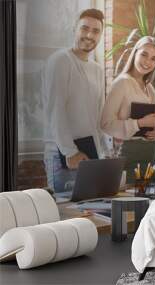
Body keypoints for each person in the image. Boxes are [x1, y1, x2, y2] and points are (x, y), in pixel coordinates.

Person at [42, 9, 108, 192]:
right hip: (63, 152)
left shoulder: (97, 69)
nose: (89, 35)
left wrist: (104, 149)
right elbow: (56, 110)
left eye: (96, 31)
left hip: (90, 152)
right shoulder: (60, 61)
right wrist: (69, 151)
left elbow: (97, 115)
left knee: (92, 213)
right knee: (68, 213)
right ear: (74, 29)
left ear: (101, 35)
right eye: (84, 28)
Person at [101, 36, 155, 183]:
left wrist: (154, 132)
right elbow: (105, 124)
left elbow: (151, 122)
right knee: (131, 200)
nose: (148, 62)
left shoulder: (150, 89)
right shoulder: (121, 83)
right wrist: (139, 123)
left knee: (149, 201)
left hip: (150, 154)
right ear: (135, 53)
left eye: (154, 59)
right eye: (144, 55)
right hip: (128, 154)